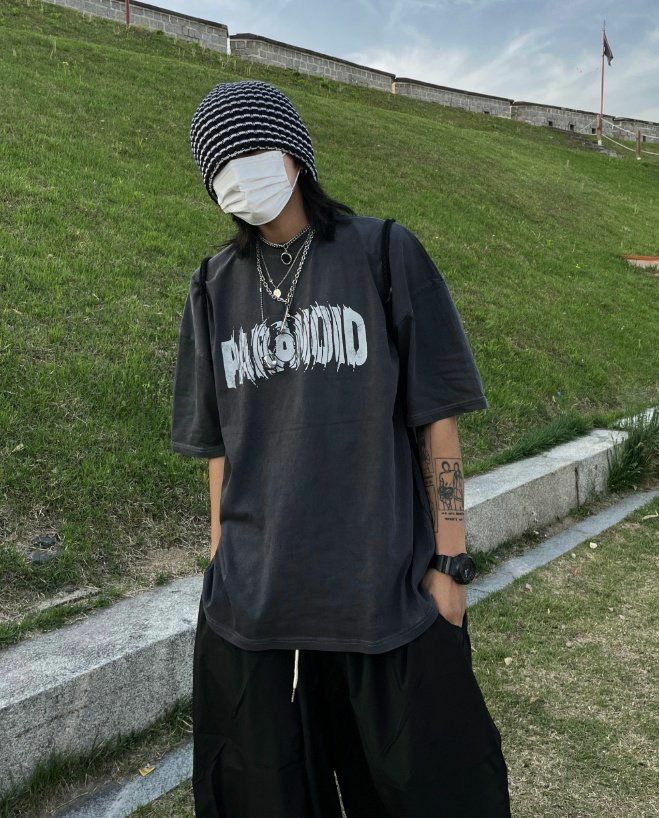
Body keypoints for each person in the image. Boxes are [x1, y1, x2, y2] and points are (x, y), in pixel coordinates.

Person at [171, 78, 511, 818]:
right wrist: (218, 561)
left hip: (381, 593)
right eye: (217, 165)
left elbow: (437, 421)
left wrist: (450, 565)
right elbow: (218, 446)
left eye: (248, 153)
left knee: (428, 792)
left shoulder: (382, 253)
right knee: (260, 797)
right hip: (254, 606)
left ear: (294, 156)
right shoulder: (211, 286)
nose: (234, 175)